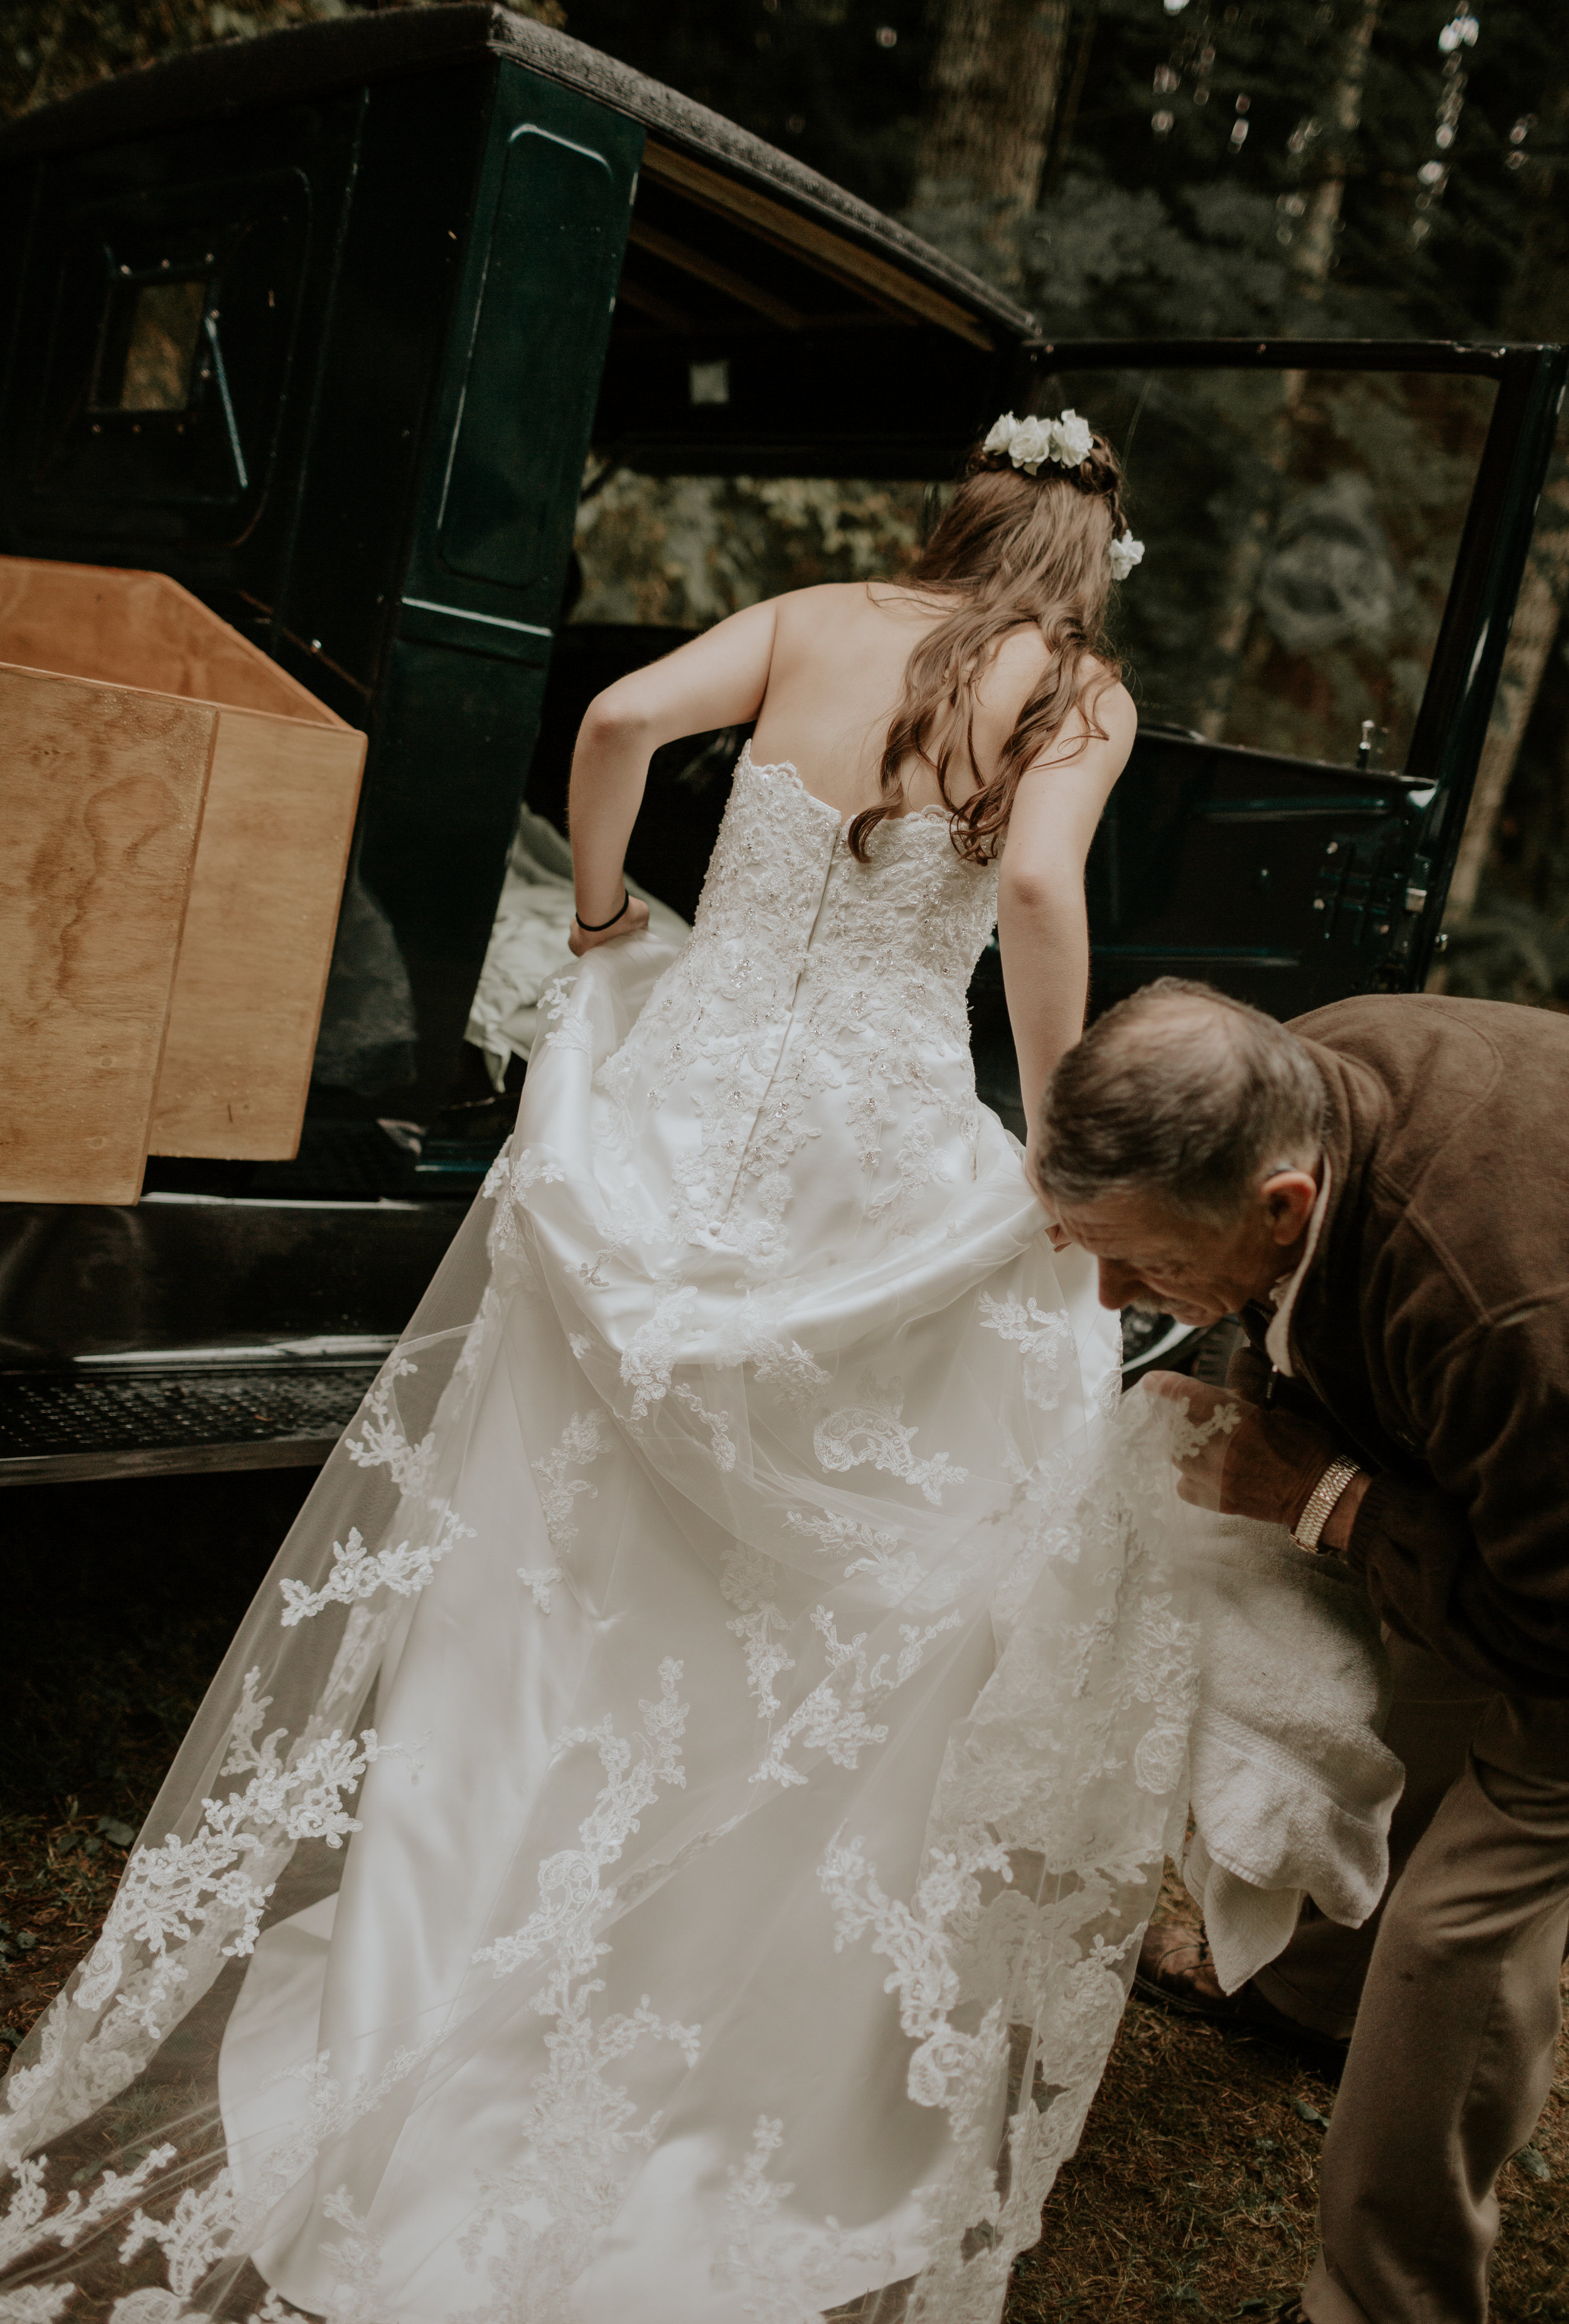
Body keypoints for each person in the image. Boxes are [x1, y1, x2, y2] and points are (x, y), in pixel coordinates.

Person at [1, 415, 1183, 2324]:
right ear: (1090, 556)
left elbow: (621, 716)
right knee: (900, 1501)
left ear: (958, 516)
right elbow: (1034, 898)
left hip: (677, 1108)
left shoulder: (810, 614)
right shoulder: (1080, 695)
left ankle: (460, 1915)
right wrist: (1056, 1141)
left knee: (547, 1557)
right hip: (856, 1163)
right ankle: (712, 1956)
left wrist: (616, 913)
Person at [1032, 976, 1569, 2324]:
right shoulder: (1301, 1075)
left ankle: (1387, 2299)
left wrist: (1321, 1501)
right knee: (1413, 1678)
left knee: (1462, 1929)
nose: (1108, 1297)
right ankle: (1318, 1996)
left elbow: (1550, 1638)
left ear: (1277, 1205)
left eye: (1142, 1264)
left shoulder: (1497, 1317)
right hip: (1523, 1456)